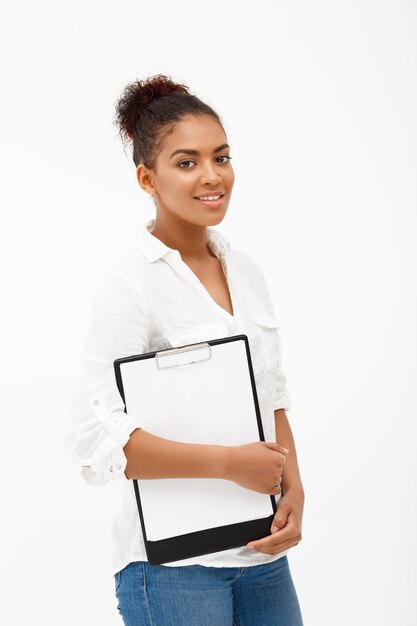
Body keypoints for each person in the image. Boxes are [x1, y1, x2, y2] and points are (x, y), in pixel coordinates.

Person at [64, 74, 305, 626]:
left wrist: (294, 489)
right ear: (147, 178)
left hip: (262, 554)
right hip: (173, 569)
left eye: (221, 156)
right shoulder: (131, 289)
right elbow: (94, 439)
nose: (212, 176)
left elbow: (271, 392)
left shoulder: (246, 273)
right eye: (187, 162)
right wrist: (227, 465)